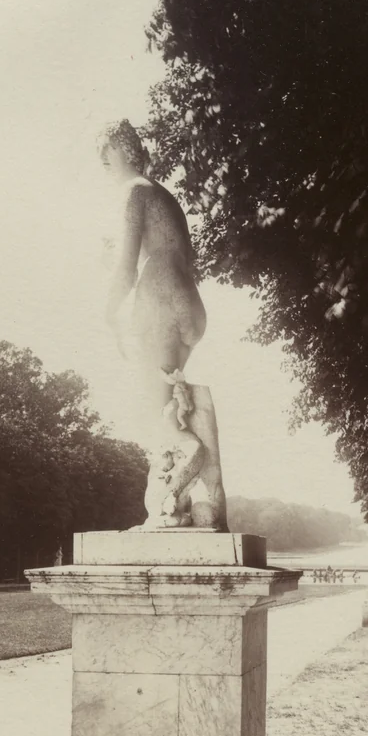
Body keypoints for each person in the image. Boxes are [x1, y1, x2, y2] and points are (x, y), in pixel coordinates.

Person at [100, 119, 220, 527]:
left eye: (104, 155)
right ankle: (186, 504)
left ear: (114, 151)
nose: (104, 165)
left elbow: (126, 267)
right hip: (187, 304)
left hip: (157, 301)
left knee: (161, 413)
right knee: (175, 403)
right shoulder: (163, 195)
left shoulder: (133, 192)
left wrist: (107, 312)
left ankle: (172, 509)